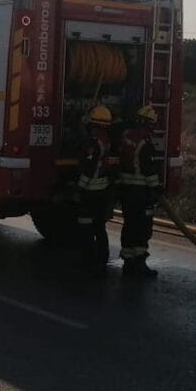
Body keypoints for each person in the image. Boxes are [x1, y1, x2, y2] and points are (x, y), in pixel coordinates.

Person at [118, 105, 162, 279]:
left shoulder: (127, 136)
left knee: (129, 225)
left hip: (126, 190)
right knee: (143, 228)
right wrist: (156, 188)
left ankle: (128, 262)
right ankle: (140, 263)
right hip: (140, 192)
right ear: (150, 124)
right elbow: (148, 169)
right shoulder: (146, 143)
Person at [75, 105, 115, 276]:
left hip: (90, 193)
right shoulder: (105, 139)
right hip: (102, 191)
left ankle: (88, 260)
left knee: (86, 228)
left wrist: (80, 188)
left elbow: (89, 168)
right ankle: (101, 260)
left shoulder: (93, 143)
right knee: (99, 228)